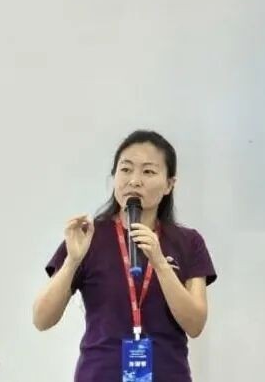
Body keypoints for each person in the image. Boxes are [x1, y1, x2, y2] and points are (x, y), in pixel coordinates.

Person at [33, 130, 217, 382]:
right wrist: (72, 262)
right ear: (114, 177)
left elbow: (195, 324)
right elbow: (41, 319)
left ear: (169, 184)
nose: (134, 180)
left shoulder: (188, 242)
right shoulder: (87, 236)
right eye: (126, 169)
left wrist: (160, 264)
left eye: (148, 171)